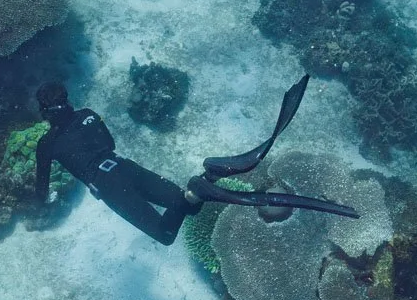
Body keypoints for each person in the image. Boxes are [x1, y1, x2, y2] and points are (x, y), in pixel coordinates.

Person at [32, 75, 359, 246]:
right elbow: (108, 143)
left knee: (164, 234)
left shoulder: (46, 144)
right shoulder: (87, 114)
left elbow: (40, 191)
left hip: (106, 182)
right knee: (186, 207)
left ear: (44, 112)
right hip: (124, 166)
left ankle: (200, 188)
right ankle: (208, 179)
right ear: (67, 100)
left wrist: (46, 200)